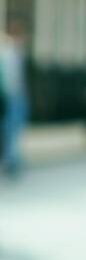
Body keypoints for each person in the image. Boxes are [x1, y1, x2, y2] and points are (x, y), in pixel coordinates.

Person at [0, 19, 30, 177]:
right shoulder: (8, 52)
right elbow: (11, 79)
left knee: (13, 130)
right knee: (11, 130)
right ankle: (11, 161)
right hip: (13, 97)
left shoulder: (15, 51)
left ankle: (12, 160)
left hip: (15, 97)